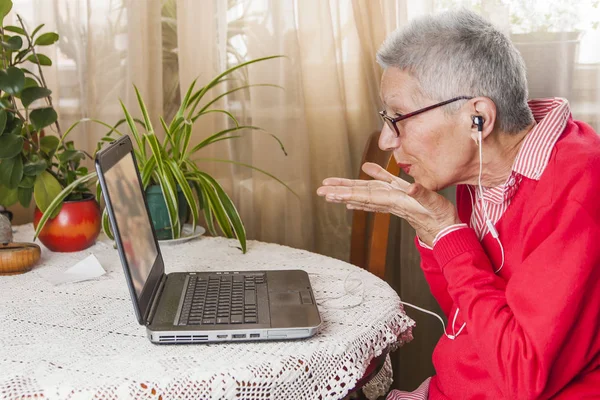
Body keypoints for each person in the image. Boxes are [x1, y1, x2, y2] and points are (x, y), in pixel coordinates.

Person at [317, 9, 600, 400]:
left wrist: (447, 234)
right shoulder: (483, 170)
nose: (386, 140)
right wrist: (430, 228)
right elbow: (466, 319)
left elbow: (521, 376)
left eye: (399, 117)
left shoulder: (578, 190)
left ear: (478, 118)